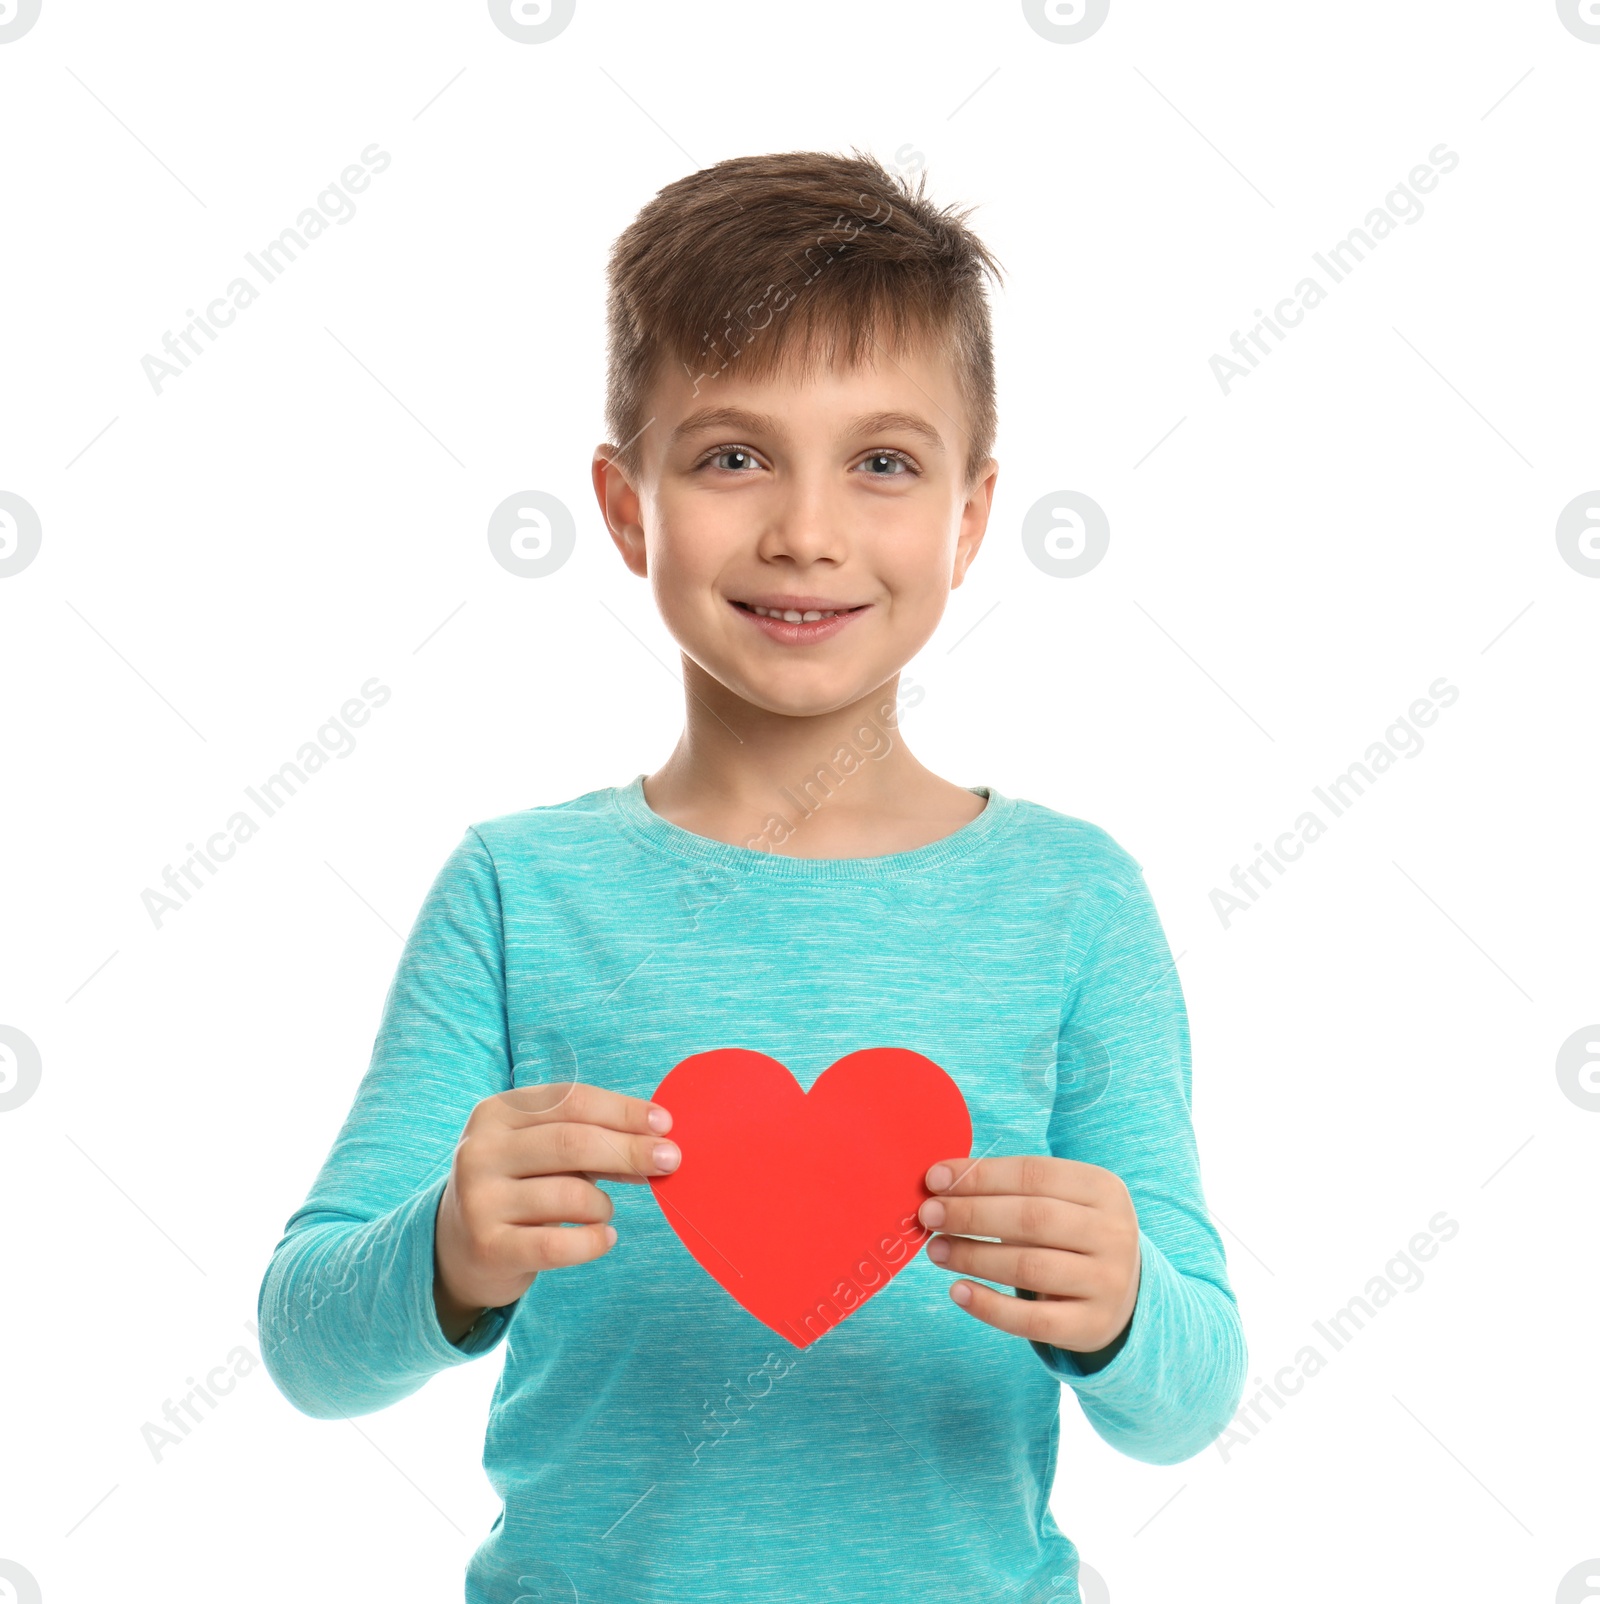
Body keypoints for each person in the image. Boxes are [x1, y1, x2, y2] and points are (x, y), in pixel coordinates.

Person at [257, 147, 1247, 1604]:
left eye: (884, 464)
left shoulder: (1073, 904)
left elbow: (1192, 1397)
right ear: (623, 505)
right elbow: (307, 1346)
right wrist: (450, 1250)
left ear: (970, 518)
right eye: (733, 456)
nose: (806, 531)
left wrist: (1121, 1309)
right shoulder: (518, 896)